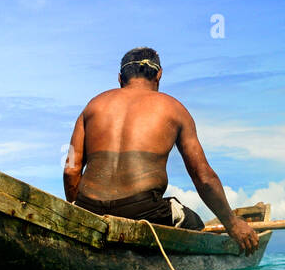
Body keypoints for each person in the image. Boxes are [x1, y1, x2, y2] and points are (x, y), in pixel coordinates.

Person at [63, 47, 260, 254]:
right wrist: (232, 223)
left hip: (89, 208)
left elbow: (71, 171)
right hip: (143, 211)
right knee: (193, 222)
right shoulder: (174, 109)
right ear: (159, 75)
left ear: (120, 78)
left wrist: (82, 217)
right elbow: (203, 177)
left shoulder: (92, 106)